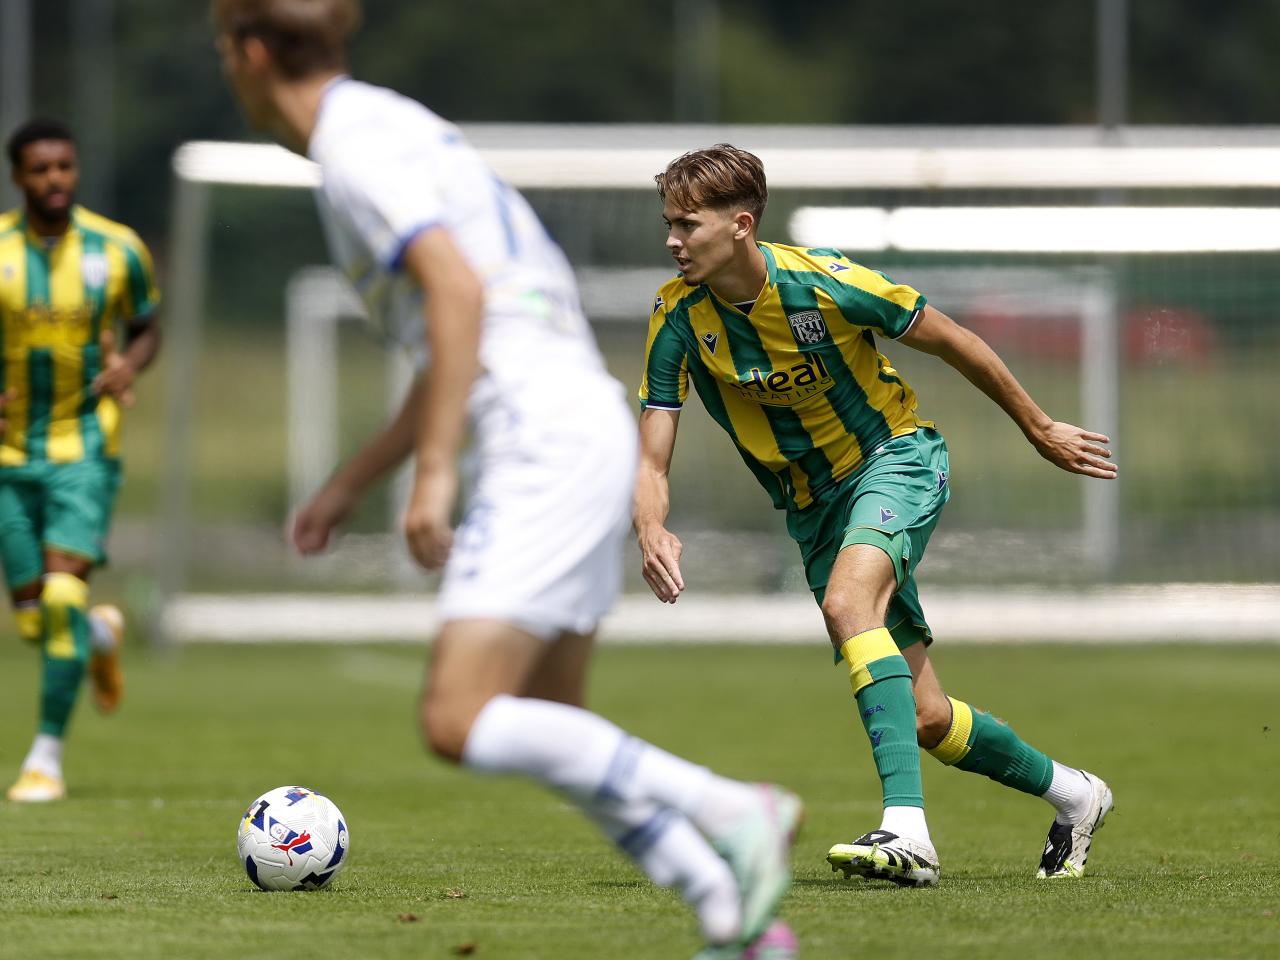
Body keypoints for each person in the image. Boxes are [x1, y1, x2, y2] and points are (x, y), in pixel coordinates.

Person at [212, 3, 799, 956]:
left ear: (248, 52)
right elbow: (452, 335)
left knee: (457, 717)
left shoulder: (355, 147)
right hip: (575, 418)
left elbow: (458, 293)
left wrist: (434, 475)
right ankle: (737, 921)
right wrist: (353, 481)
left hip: (537, 435)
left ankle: (736, 811)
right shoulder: (388, 124)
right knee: (552, 722)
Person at [635, 144, 1116, 887]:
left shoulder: (824, 284)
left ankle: (908, 835)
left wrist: (1038, 425)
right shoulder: (676, 318)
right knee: (926, 719)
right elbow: (653, 455)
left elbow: (954, 340)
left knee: (846, 603)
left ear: (739, 224)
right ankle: (1075, 795)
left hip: (895, 460)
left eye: (685, 224)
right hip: (814, 509)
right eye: (667, 222)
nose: (671, 239)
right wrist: (650, 522)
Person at [0, 119, 161, 802]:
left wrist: (129, 362)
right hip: (9, 458)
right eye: (40, 170)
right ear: (18, 177)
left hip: (87, 450)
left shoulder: (118, 249)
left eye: (64, 166)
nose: (55, 180)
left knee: (62, 595)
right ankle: (98, 635)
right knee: (37, 619)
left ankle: (45, 760)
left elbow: (149, 324)